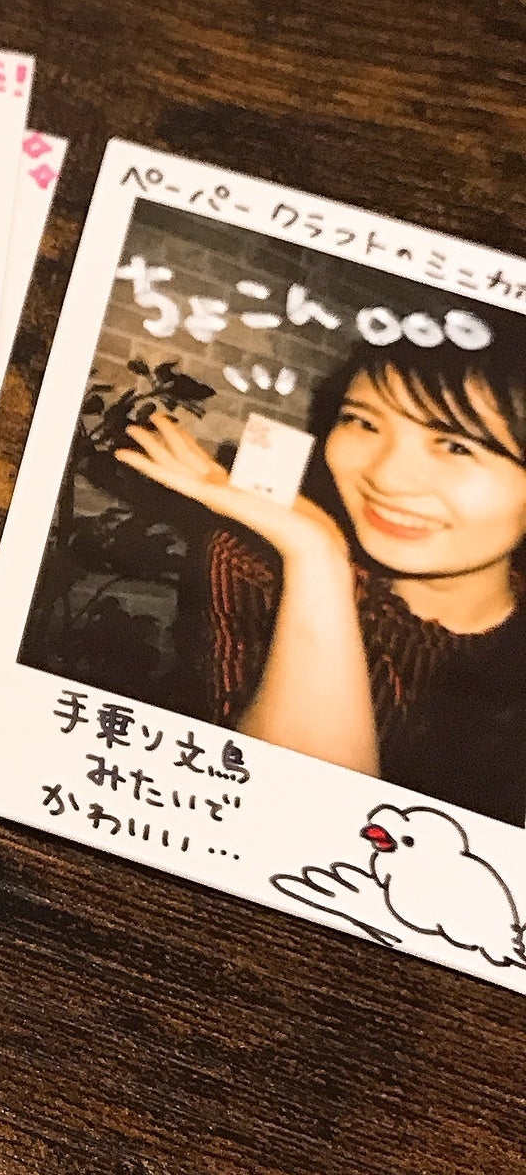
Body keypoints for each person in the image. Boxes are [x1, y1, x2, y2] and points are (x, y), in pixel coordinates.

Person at [116, 338, 526, 820]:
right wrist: (316, 556)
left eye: (456, 446)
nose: (387, 478)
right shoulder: (259, 571)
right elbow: (279, 818)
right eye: (363, 422)